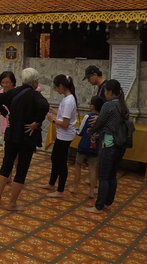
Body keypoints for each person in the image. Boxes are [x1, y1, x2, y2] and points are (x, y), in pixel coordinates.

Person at [0, 67, 50, 212]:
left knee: (6, 165)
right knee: (21, 170)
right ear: (35, 82)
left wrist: (6, 114)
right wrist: (36, 122)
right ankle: (12, 203)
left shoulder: (14, 92)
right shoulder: (36, 96)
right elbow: (45, 106)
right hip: (26, 136)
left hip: (11, 134)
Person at [86, 79, 130, 215]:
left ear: (110, 92)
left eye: (105, 91)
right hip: (120, 144)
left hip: (110, 144)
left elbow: (100, 122)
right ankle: (108, 203)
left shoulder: (108, 105)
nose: (104, 93)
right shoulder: (123, 105)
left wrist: (90, 131)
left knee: (103, 176)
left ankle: (98, 206)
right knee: (112, 176)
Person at [41, 74, 79, 198]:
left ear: (61, 86)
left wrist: (52, 120)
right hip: (62, 134)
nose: (56, 90)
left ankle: (60, 190)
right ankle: (52, 183)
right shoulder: (67, 98)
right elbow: (64, 115)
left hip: (65, 135)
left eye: (56, 87)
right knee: (54, 158)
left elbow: (65, 123)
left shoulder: (69, 101)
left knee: (61, 162)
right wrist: (54, 112)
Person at [71, 95, 104, 201]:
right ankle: (91, 191)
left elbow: (80, 132)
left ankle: (76, 187)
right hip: (95, 146)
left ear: (92, 106)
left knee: (78, 164)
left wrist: (74, 129)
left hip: (84, 145)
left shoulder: (87, 117)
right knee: (92, 169)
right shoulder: (102, 119)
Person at [0, 71, 15, 139]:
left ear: (13, 82)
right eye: (2, 83)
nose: (5, 85)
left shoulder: (18, 92)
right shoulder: (0, 94)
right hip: (6, 126)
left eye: (7, 82)